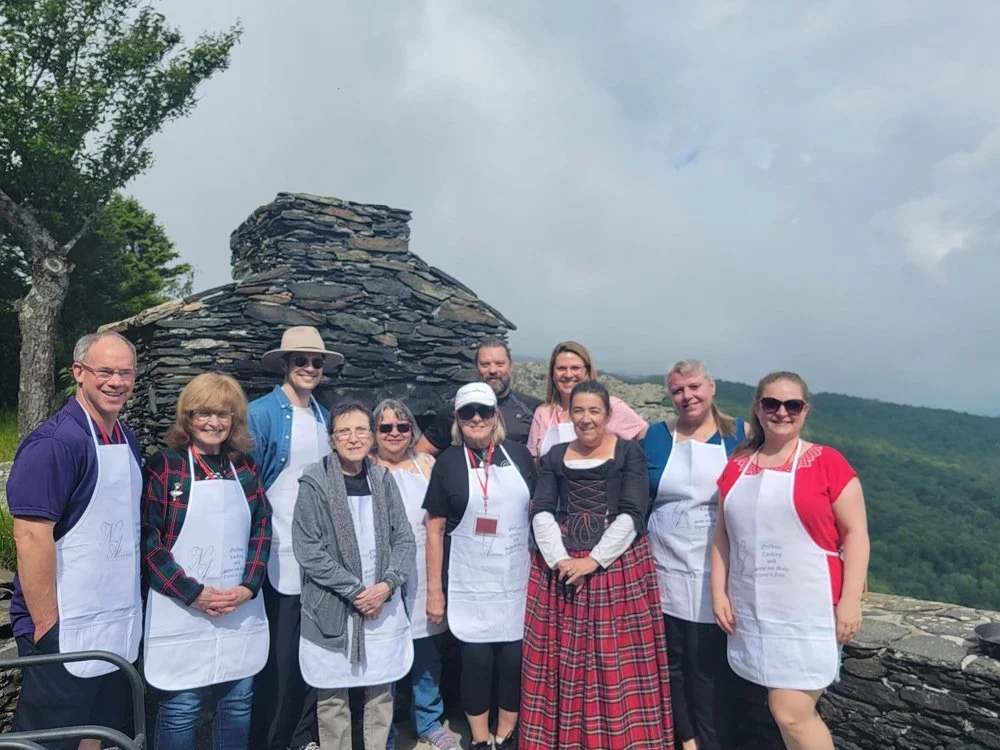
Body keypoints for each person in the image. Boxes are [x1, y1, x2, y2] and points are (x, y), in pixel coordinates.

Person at [711, 372, 870, 750]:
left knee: (789, 710)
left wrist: (850, 601)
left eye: (792, 405)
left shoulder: (827, 462)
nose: (782, 412)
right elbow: (722, 535)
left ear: (805, 410)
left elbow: (857, 534)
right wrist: (718, 591)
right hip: (754, 609)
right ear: (758, 408)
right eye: (771, 404)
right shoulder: (737, 466)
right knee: (780, 711)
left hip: (811, 608)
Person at [6, 331, 143, 750]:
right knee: (49, 741)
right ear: (79, 373)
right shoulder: (55, 443)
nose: (116, 382)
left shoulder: (127, 440)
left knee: (97, 733)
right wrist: (48, 627)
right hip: (65, 627)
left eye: (125, 373)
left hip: (115, 624)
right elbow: (30, 536)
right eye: (105, 371)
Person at [521, 380, 674, 749]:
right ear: (569, 414)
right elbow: (541, 507)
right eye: (579, 411)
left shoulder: (628, 454)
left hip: (615, 567)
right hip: (561, 566)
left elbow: (634, 512)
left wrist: (594, 560)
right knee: (561, 661)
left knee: (615, 660)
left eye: (594, 411)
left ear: (608, 415)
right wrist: (559, 558)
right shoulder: (556, 455)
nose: (586, 419)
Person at [142, 372, 272, 750]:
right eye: (204, 413)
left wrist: (248, 587)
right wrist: (193, 593)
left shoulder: (244, 467)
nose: (214, 422)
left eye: (223, 414)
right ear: (188, 416)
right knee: (182, 708)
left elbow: (261, 527)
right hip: (181, 609)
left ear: (234, 420)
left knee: (237, 704)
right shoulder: (165, 466)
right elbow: (149, 542)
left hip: (238, 607)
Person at [293, 399, 416, 750]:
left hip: (382, 603)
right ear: (331, 438)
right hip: (333, 606)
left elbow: (404, 539)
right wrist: (357, 591)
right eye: (344, 431)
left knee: (380, 693)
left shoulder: (382, 479)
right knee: (332, 697)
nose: (353, 438)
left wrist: (386, 585)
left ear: (371, 436)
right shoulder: (314, 483)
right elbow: (308, 550)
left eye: (361, 429)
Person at [424, 383, 537, 750]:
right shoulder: (448, 462)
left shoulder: (519, 456)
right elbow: (435, 529)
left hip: (516, 581)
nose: (476, 418)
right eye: (468, 412)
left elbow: (540, 514)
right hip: (470, 583)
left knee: (512, 662)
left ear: (495, 417)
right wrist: (435, 591)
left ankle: (505, 736)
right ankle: (478, 740)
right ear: (457, 418)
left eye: (484, 412)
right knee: (475, 663)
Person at [643, 359, 747, 750]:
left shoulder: (740, 436)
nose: (687, 396)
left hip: (716, 573)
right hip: (662, 568)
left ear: (712, 387)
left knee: (710, 671)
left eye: (694, 387)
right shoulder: (654, 436)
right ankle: (685, 740)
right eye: (678, 390)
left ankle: (713, 742)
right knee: (670, 665)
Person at [249, 326, 343, 750]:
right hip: (278, 555)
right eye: (300, 360)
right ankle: (271, 739)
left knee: (312, 651)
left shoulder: (325, 416)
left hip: (316, 554)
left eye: (316, 362)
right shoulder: (262, 414)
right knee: (280, 660)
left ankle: (303, 736)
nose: (309, 368)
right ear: (284, 364)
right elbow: (249, 487)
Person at [372, 400, 459, 750]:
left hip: (424, 565)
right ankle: (385, 728)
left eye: (402, 427)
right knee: (384, 651)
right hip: (379, 570)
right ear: (374, 433)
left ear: (413, 431)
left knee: (426, 649)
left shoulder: (428, 465)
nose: (395, 433)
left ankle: (428, 719)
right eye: (386, 427)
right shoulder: (363, 466)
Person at [415, 337, 541, 455]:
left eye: (499, 364)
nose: (492, 370)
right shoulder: (457, 411)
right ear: (476, 367)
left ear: (511, 365)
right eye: (485, 364)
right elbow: (422, 452)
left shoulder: (533, 409)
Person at [527, 340, 648, 459]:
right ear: (553, 374)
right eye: (561, 368)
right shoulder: (543, 413)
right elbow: (533, 460)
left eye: (575, 368)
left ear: (588, 372)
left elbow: (644, 434)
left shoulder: (611, 405)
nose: (568, 375)